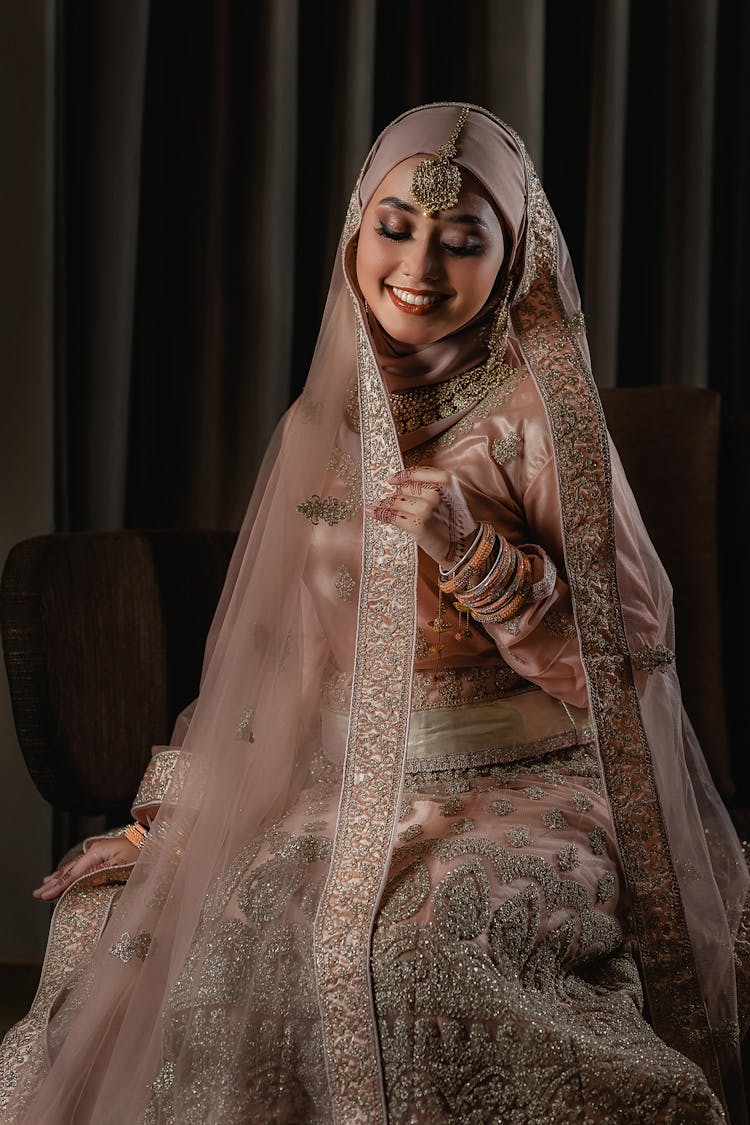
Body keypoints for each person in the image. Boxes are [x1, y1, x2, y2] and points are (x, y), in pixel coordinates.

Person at [1, 102, 747, 1124]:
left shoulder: (540, 423)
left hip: (524, 778)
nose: (421, 267)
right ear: (357, 229)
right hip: (347, 779)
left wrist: (474, 554)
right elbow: (280, 667)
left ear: (515, 258)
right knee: (142, 921)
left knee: (417, 947)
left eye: (463, 241)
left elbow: (626, 666)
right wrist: (167, 826)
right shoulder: (324, 419)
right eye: (397, 225)